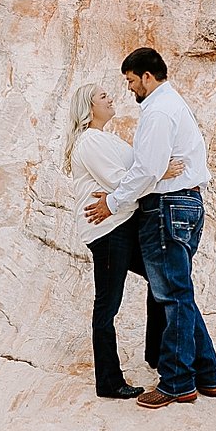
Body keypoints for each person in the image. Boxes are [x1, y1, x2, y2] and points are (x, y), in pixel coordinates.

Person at [84, 46, 216, 408]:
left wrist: (112, 202)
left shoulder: (159, 111)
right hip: (185, 204)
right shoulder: (173, 105)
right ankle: (207, 374)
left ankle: (177, 383)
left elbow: (145, 170)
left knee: (172, 298)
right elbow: (151, 168)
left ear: (147, 76)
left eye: (131, 81)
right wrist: (156, 171)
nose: (129, 89)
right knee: (180, 294)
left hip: (166, 208)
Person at [67, 79, 165, 400]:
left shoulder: (108, 140)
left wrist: (133, 186)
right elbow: (124, 182)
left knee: (159, 277)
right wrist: (151, 179)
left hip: (122, 224)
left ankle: (155, 353)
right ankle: (108, 382)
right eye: (102, 95)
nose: (109, 98)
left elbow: (136, 175)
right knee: (107, 306)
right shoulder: (89, 142)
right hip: (107, 230)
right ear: (88, 108)